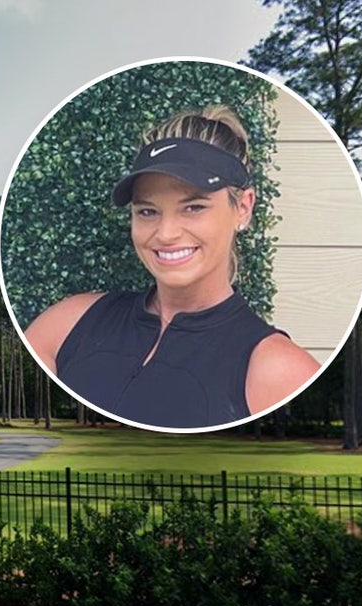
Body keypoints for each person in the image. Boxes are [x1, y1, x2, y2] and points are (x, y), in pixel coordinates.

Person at [24, 106, 320, 428]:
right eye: (148, 211)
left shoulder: (277, 369)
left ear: (243, 208)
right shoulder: (68, 323)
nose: (166, 234)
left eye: (193, 207)